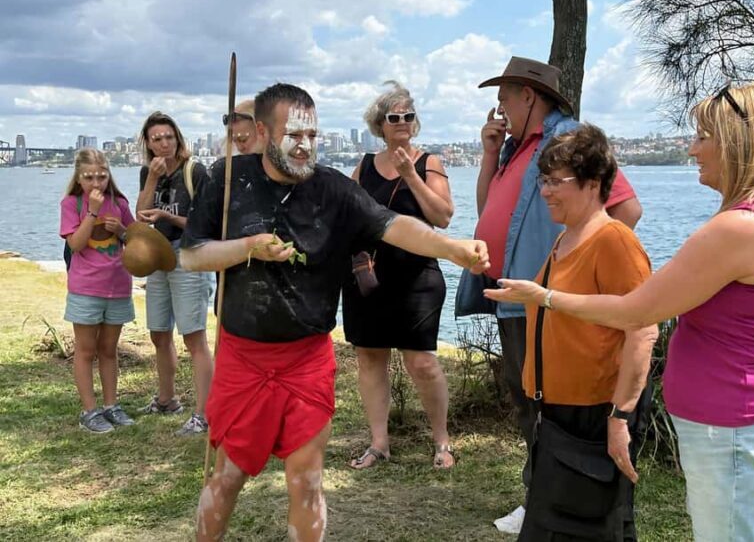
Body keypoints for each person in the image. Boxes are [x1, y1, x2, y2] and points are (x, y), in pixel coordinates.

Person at [487, 82, 754, 542]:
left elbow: (638, 311)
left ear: (734, 142)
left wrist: (544, 296)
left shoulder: (741, 227)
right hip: (747, 420)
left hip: (733, 427)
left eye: (702, 136)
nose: (693, 149)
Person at [180, 83, 489, 542]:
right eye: (294, 135)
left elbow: (393, 226)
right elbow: (191, 255)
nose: (305, 146)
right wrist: (247, 248)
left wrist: (453, 249)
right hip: (243, 355)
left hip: (308, 358)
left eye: (313, 135)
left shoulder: (333, 188)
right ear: (264, 132)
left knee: (307, 481)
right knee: (226, 478)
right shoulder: (228, 179)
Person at [455, 56, 644, 534]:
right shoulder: (518, 150)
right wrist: (490, 155)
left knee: (544, 405)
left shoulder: (569, 142)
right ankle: (543, 494)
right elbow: (488, 212)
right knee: (529, 398)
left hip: (544, 301)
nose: (498, 111)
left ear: (528, 95)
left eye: (503, 100)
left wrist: (582, 275)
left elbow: (627, 210)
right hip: (521, 295)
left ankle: (552, 495)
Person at [484, 124, 657, 541]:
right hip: (557, 416)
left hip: (594, 413)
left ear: (593, 183)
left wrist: (620, 417)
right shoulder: (566, 237)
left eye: (556, 182)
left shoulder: (613, 239)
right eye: (544, 180)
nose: (545, 191)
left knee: (600, 526)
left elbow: (642, 329)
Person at [342, 81, 455, 470]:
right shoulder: (364, 165)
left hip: (417, 277)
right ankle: (379, 442)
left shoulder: (429, 163)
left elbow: (442, 216)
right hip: (369, 277)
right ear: (381, 124)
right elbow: (348, 215)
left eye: (409, 115)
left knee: (421, 362)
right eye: (395, 117)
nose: (403, 122)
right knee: (370, 357)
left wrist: (410, 176)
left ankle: (442, 441)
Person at [135, 111, 213, 436]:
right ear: (148, 144)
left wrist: (168, 216)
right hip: (158, 257)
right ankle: (167, 399)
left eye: (169, 137)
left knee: (194, 335)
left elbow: (207, 221)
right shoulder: (147, 171)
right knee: (158, 333)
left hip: (188, 255)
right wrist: (152, 180)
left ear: (178, 138)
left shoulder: (194, 171)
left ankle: (204, 412)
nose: (164, 143)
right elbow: (140, 218)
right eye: (157, 139)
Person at [60, 149, 136, 433]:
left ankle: (111, 405)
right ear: (79, 178)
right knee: (86, 350)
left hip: (117, 286)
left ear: (109, 175)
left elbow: (136, 239)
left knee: (108, 349)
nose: (96, 183)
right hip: (85, 288)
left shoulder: (119, 203)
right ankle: (89, 411)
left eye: (102, 176)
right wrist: (92, 212)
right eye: (89, 177)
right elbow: (76, 244)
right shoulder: (71, 204)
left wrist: (122, 232)